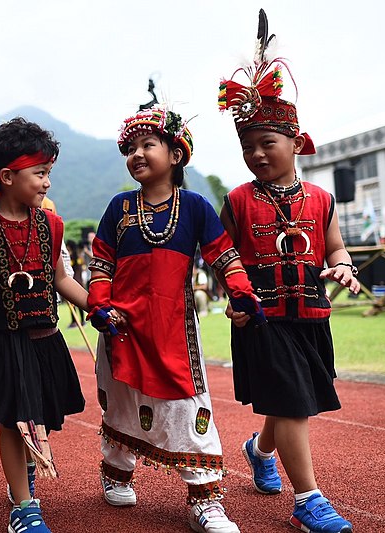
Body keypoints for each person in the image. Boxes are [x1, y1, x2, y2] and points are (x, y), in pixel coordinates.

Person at [86, 103, 265, 533]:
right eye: (131, 148)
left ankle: (204, 499)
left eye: (149, 144)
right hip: (122, 328)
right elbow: (101, 263)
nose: (137, 154)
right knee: (121, 401)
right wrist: (99, 303)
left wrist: (241, 292)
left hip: (174, 329)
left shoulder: (197, 207)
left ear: (177, 154)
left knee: (189, 405)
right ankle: (117, 473)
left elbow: (224, 255)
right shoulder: (118, 207)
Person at [217, 9, 358, 533]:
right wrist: (231, 299)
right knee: (294, 400)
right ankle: (308, 500)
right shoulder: (236, 199)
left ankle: (258, 449)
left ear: (296, 143)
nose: (256, 154)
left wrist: (342, 269)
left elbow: (336, 250)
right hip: (261, 317)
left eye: (267, 144)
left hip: (311, 314)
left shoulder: (322, 198)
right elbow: (222, 256)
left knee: (292, 398)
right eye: (247, 146)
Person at [0, 117, 87, 533]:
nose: (47, 183)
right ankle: (24, 508)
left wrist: (101, 306)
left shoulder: (51, 224)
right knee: (13, 419)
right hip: (3, 338)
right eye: (40, 173)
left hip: (45, 335)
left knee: (40, 412)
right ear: (7, 177)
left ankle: (23, 475)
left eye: (48, 173)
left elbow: (62, 278)